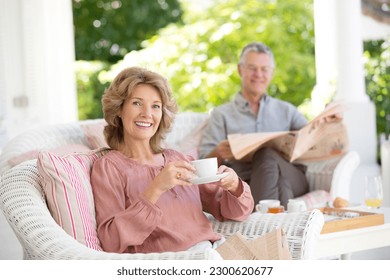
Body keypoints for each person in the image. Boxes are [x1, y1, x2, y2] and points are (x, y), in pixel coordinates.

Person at [90, 66, 254, 254]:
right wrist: (156, 188)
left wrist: (233, 186)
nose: (147, 113)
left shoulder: (178, 159)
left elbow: (232, 213)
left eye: (155, 106)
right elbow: (111, 240)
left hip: (214, 252)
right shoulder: (109, 168)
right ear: (119, 109)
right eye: (137, 103)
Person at [199, 42, 310, 209]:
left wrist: (328, 123)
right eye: (252, 68)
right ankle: (281, 227)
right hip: (244, 181)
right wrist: (219, 152)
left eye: (264, 69)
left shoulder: (287, 110)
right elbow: (202, 162)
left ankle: (259, 224)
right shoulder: (221, 114)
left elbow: (311, 138)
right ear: (240, 69)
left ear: (271, 73)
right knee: (281, 185)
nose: (258, 74)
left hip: (292, 175)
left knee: (266, 155)